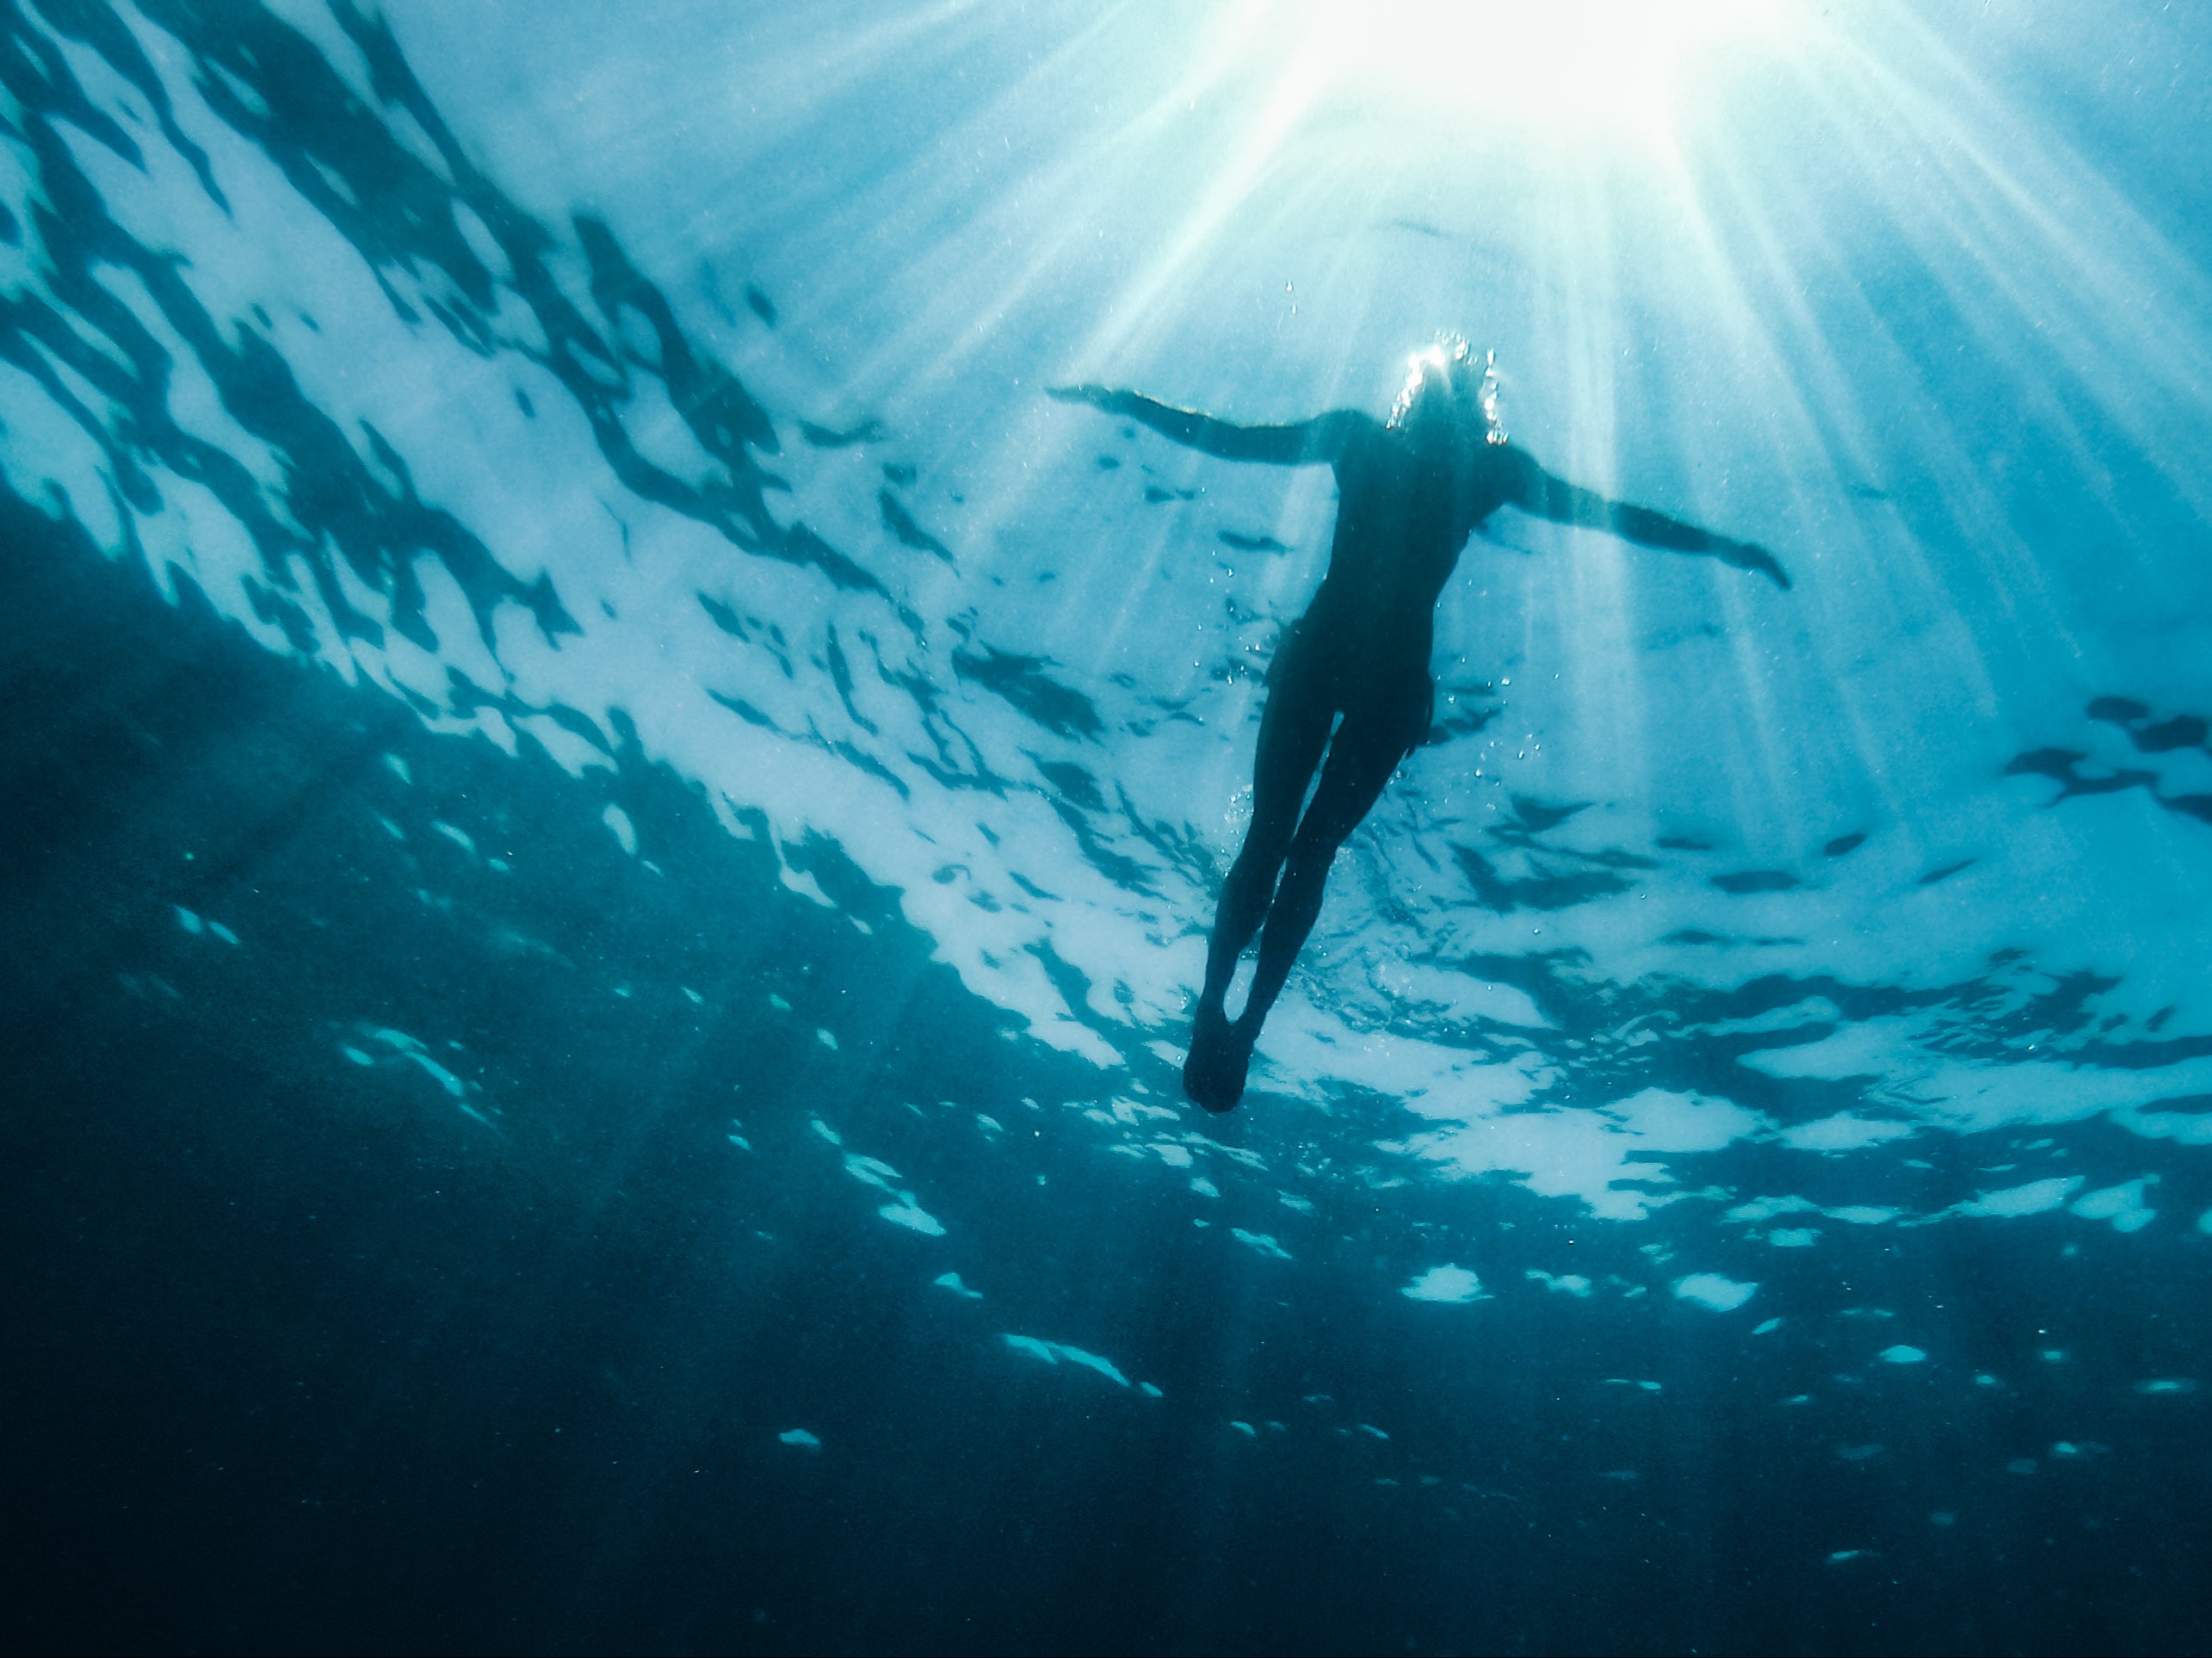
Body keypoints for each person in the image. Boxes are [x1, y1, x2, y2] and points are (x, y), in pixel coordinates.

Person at [1051, 340, 1788, 1111]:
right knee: (1291, 847)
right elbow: (1228, 436)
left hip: (1351, 669)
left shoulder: (1421, 453)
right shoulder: (1449, 460)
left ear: (1432, 401)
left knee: (1291, 846)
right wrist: (1122, 400)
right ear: (1467, 406)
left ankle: (1231, 1016)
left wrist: (1726, 548)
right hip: (1372, 676)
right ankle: (1223, 1015)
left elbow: (1612, 517)